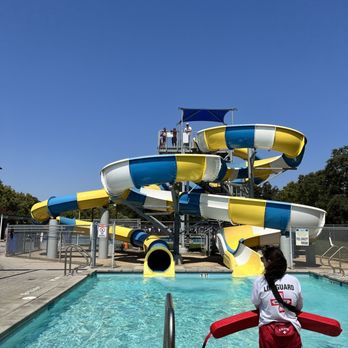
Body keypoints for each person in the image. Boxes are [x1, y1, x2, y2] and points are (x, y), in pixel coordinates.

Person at [251, 246, 303, 348]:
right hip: (291, 330)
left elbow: (256, 303)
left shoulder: (260, 281)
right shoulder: (294, 281)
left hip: (268, 332)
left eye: (263, 259)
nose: (262, 262)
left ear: (268, 262)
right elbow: (299, 306)